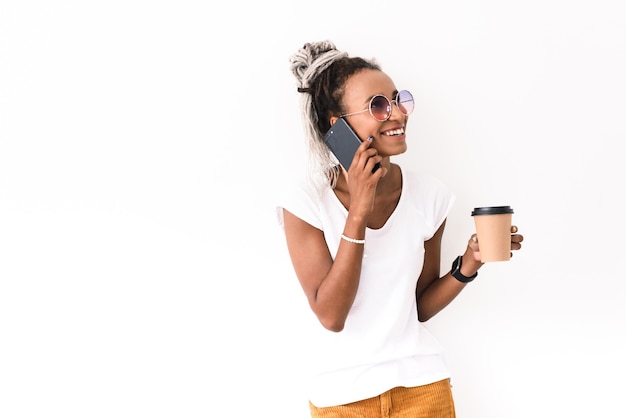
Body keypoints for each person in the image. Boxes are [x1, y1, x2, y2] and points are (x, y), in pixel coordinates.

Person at [276, 40, 524, 418]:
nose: (397, 114)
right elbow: (331, 315)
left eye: (398, 100)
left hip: (423, 388)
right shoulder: (306, 202)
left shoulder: (430, 196)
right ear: (337, 125)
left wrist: (469, 265)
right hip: (342, 397)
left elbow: (419, 307)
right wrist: (357, 210)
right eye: (378, 106)